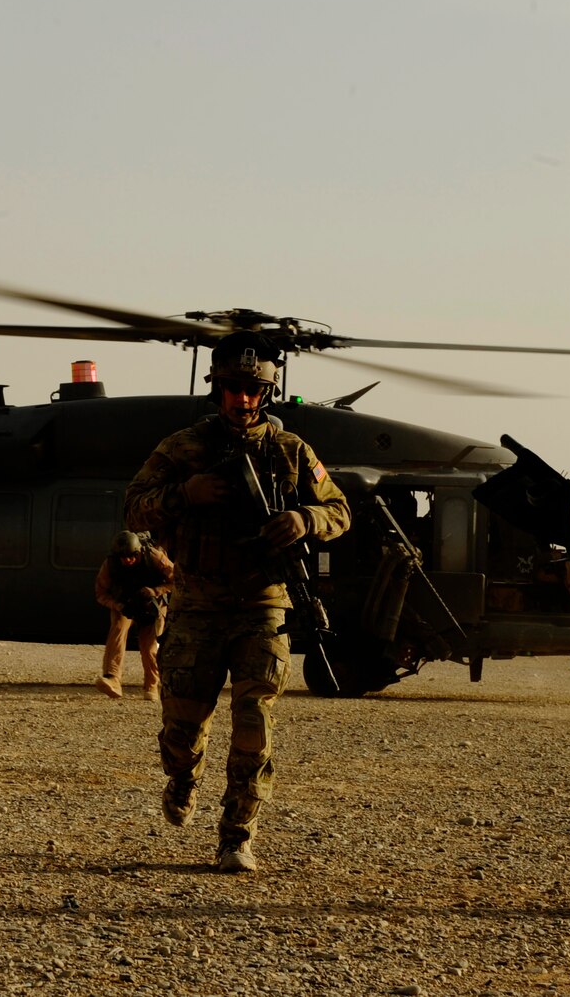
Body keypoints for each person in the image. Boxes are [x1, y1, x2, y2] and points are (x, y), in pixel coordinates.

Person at [123, 331, 351, 873]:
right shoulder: (182, 448)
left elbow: (340, 510)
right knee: (182, 730)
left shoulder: (292, 450)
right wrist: (186, 493)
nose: (243, 399)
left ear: (266, 393)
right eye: (233, 388)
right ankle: (183, 776)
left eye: (252, 390)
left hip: (262, 605)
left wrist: (305, 519)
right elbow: (134, 509)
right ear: (217, 389)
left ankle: (237, 837)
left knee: (254, 724)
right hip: (196, 605)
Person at [94, 530, 174, 700]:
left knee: (150, 646)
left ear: (139, 552)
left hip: (153, 604)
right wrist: (116, 605)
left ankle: (152, 685)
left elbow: (177, 580)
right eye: (123, 557)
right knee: (117, 632)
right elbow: (101, 593)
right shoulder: (110, 564)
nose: (127, 561)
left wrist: (156, 591)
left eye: (131, 556)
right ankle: (112, 678)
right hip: (125, 603)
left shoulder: (155, 557)